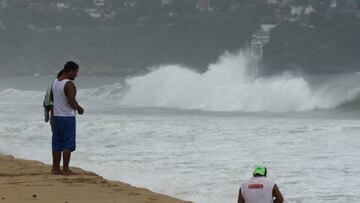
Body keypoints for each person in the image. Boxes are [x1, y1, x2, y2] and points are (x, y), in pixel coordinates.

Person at [51, 61, 84, 175]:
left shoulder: (55, 82)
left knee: (57, 143)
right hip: (67, 117)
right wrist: (79, 109)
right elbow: (71, 101)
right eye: (75, 72)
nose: (76, 75)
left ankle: (55, 168)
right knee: (67, 144)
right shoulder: (69, 84)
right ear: (70, 71)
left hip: (56, 117)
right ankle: (65, 168)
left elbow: (51, 101)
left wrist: (51, 117)